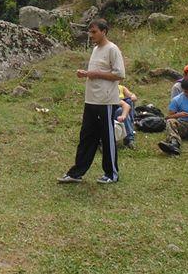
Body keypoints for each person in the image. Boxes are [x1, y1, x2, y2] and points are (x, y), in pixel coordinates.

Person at [58, 18, 125, 184]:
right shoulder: (95, 49)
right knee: (86, 136)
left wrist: (94, 74)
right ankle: (76, 173)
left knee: (107, 137)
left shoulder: (112, 49)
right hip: (91, 100)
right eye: (90, 32)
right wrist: (86, 74)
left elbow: (120, 74)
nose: (91, 35)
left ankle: (111, 174)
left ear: (104, 32)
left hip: (105, 101)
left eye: (94, 32)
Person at [119, 83, 138, 150]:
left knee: (129, 101)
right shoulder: (108, 88)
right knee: (122, 110)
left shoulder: (121, 87)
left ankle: (130, 129)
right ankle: (129, 138)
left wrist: (133, 96)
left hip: (122, 104)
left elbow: (132, 95)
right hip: (115, 105)